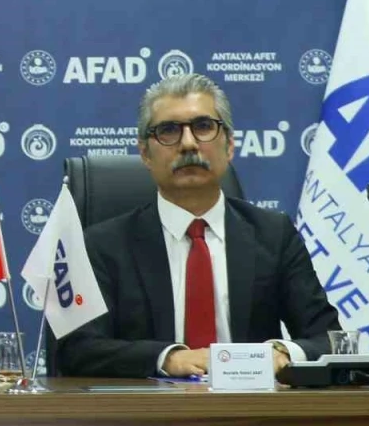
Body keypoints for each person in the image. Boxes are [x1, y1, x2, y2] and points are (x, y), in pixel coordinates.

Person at [56, 74, 339, 378]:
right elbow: (78, 349)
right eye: (168, 130)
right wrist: (167, 359)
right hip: (150, 405)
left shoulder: (273, 234)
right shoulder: (102, 245)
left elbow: (329, 339)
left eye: (203, 127)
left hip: (251, 404)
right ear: (145, 154)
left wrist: (281, 353)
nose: (188, 143)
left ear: (229, 146)